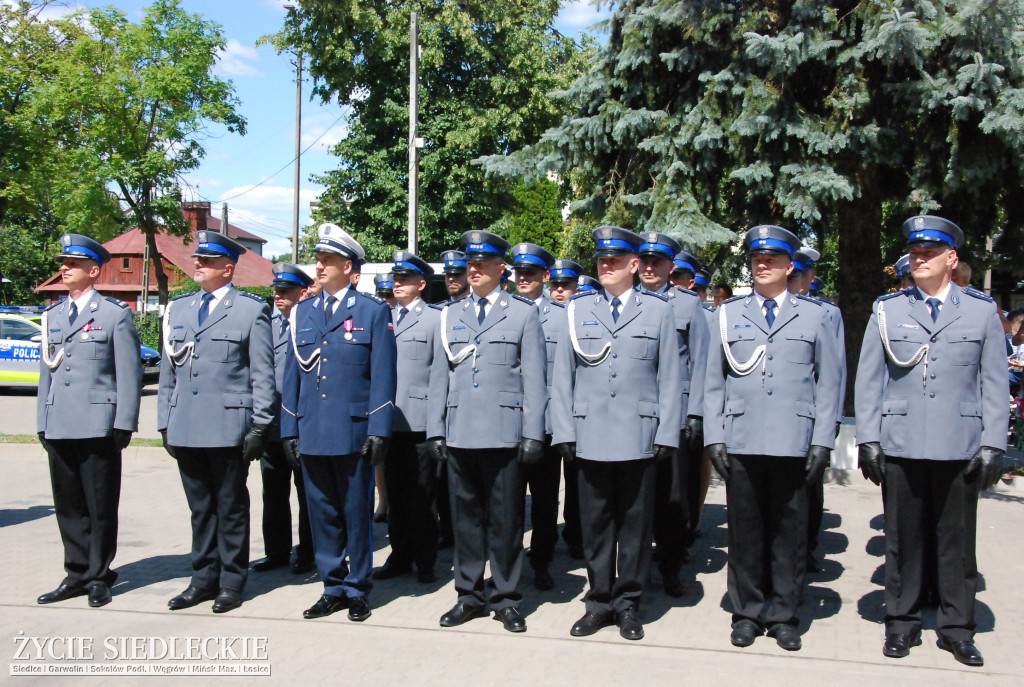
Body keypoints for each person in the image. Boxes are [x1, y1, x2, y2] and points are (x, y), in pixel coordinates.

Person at [855, 215, 1006, 666]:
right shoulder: (889, 309)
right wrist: (869, 438)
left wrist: (994, 442)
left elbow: (994, 381)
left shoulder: (980, 310)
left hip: (959, 442)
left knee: (956, 541)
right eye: (915, 252)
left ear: (951, 258)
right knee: (903, 538)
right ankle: (901, 622)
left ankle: (957, 627)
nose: (919, 259)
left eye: (929, 253)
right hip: (901, 441)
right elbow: (870, 378)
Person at [704, 224, 841, 651]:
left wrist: (822, 440)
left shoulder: (817, 315)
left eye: (772, 260)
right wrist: (714, 437)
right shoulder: (728, 314)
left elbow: (829, 383)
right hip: (742, 437)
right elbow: (713, 381)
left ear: (789, 266)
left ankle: (783, 613)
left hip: (792, 440)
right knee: (744, 532)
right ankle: (746, 612)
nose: (762, 265)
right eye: (757, 259)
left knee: (789, 532)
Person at [552, 226, 681, 641]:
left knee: (636, 527)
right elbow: (562, 378)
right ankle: (599, 601)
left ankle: (629, 604)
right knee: (596, 524)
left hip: (639, 433)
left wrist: (667, 433)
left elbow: (670, 378)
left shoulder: (659, 311)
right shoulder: (577, 309)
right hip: (590, 433)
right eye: (601, 260)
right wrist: (564, 430)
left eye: (614, 260)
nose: (606, 266)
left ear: (634, 265)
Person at [426, 230, 546, 633]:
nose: (472, 270)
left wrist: (533, 433)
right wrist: (435, 431)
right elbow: (439, 377)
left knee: (507, 520)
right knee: (465, 521)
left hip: (504, 432)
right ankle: (469, 595)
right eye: (469, 264)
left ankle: (508, 598)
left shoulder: (523, 313)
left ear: (501, 269)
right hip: (459, 431)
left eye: (482, 263)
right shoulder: (449, 314)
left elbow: (535, 379)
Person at [280, 224, 397, 623]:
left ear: (349, 267)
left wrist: (379, 428)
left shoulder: (372, 311)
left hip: (353, 430)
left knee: (355, 513)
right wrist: (289, 428)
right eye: (318, 259)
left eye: (328, 260)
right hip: (312, 429)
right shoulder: (303, 312)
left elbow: (382, 375)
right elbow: (292, 375)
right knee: (322, 513)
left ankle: (358, 587)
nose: (320, 265)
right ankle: (332, 585)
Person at [158, 231, 275, 614]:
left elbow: (262, 374)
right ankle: (202, 579)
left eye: (206, 261)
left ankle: (231, 582)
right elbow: (168, 374)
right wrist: (164, 422)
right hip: (187, 425)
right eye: (197, 259)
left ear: (228, 269)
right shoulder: (180, 308)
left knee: (230, 507)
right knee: (200, 509)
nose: (197, 264)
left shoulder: (250, 309)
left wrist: (260, 426)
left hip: (228, 427)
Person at [36, 234, 143, 609]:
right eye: (63, 263)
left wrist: (125, 422)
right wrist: (41, 420)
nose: (64, 269)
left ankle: (99, 575)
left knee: (99, 504)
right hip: (59, 421)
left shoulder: (114, 314)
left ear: (93, 271)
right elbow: (46, 373)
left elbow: (128, 373)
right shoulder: (51, 315)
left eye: (73, 264)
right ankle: (76, 572)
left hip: (99, 423)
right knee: (67, 504)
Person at [636, 232, 709, 598]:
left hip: (673, 415)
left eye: (658, 263)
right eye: (645, 262)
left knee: (672, 499)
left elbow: (701, 362)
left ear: (670, 268)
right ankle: (636, 567)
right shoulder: (623, 302)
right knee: (638, 498)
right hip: (633, 415)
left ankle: (670, 566)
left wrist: (696, 413)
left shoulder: (687, 304)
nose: (650, 268)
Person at [372, 250, 440, 584]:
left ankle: (425, 560)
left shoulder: (434, 319)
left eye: (405, 279)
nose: (398, 284)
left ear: (421, 284)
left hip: (419, 422)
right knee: (396, 496)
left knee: (422, 497)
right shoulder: (382, 317)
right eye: (395, 279)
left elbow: (441, 373)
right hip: (388, 421)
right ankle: (399, 555)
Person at [251, 263, 315, 575]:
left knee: (308, 493)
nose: (278, 296)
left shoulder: (313, 322)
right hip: (273, 422)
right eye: (276, 291)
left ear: (303, 293)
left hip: (303, 424)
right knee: (273, 492)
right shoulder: (268, 324)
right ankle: (276, 552)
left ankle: (308, 552)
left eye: (286, 292)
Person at [788, 246, 847, 574]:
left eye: (800, 275)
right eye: (792, 275)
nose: (795, 281)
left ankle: (807, 546)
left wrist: (833, 418)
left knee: (810, 487)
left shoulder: (826, 313)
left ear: (810, 278)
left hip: (811, 415)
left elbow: (834, 371)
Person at [510, 242, 563, 590]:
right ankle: (509, 565)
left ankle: (542, 561)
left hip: (545, 427)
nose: (523, 278)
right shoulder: (505, 311)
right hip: (509, 425)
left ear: (545, 276)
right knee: (508, 504)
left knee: (544, 503)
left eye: (531, 272)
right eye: (519, 272)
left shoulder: (563, 316)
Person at [546, 258, 585, 559]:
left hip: (574, 413)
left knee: (574, 482)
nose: (560, 290)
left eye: (566, 285)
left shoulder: (579, 317)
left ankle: (576, 535)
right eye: (555, 285)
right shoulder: (532, 314)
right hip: (540, 415)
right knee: (545, 489)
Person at [435, 249, 470, 550]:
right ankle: (448, 532)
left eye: (457, 274)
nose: (452, 279)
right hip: (448, 414)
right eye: (448, 274)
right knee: (444, 486)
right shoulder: (442, 314)